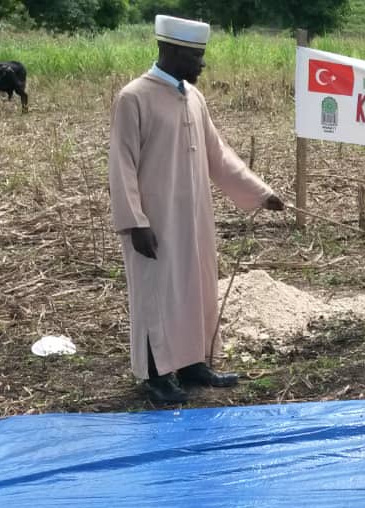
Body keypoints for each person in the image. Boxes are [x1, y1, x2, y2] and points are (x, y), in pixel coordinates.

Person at [109, 15, 285, 404]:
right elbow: (121, 165)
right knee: (158, 292)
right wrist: (135, 223)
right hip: (154, 221)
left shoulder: (193, 97)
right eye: (195, 56)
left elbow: (217, 155)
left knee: (195, 288)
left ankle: (192, 366)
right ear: (171, 51)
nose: (202, 65)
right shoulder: (134, 97)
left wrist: (261, 193)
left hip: (194, 217)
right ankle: (156, 377)